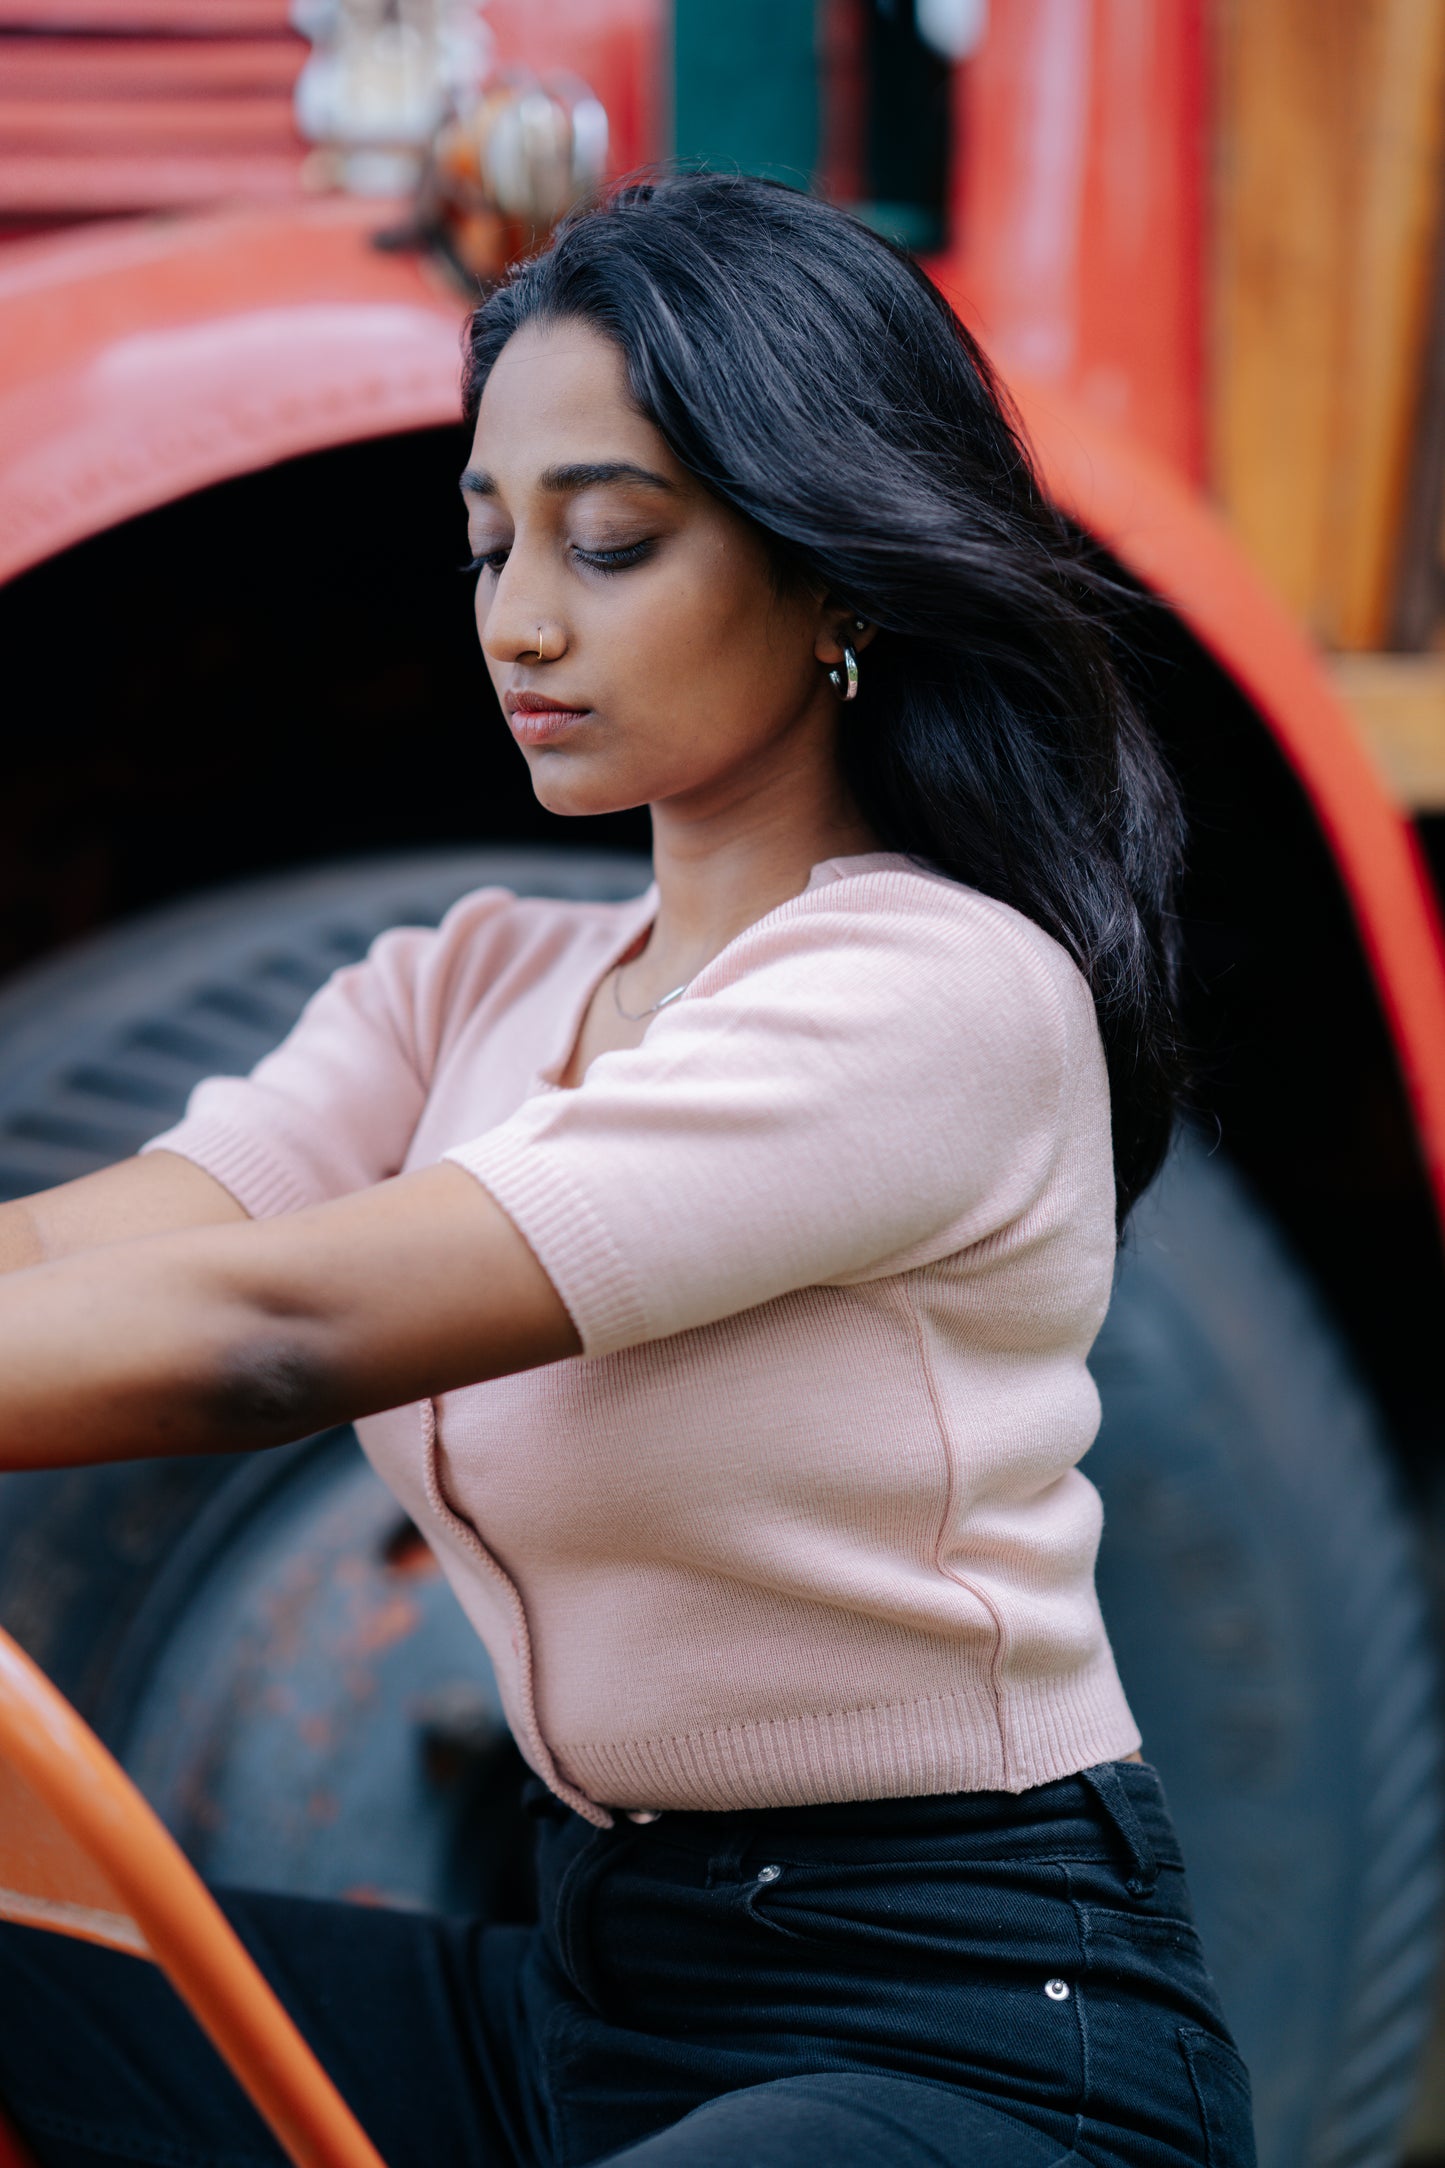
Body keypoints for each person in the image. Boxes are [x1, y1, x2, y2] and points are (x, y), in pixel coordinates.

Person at [0, 172, 1255, 2167]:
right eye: (490, 543)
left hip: (964, 2033)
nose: (522, 614)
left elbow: (272, 1328)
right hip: (596, 1993)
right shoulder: (472, 980)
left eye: (610, 540)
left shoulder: (933, 996)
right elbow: (90, 1243)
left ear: (839, 566)